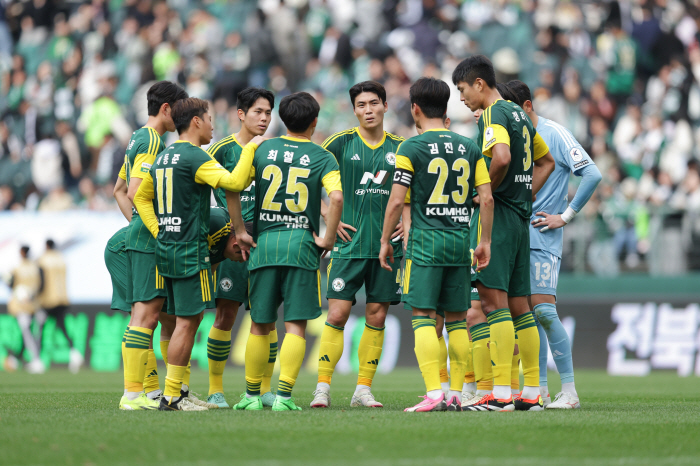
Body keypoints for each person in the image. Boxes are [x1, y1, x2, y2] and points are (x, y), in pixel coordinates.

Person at [133, 97, 258, 411]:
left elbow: (141, 196)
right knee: (188, 324)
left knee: (176, 323)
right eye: (210, 118)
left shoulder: (164, 156)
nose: (214, 125)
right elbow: (235, 182)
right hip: (190, 250)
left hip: (167, 248)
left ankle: (179, 392)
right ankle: (173, 396)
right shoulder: (194, 156)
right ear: (196, 122)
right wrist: (252, 149)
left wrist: (159, 228)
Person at [379, 77, 494, 412]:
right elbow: (485, 199)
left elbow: (396, 202)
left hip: (425, 244)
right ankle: (456, 394)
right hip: (460, 242)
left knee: (423, 318)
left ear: (415, 109)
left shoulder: (409, 148)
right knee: (458, 319)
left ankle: (434, 393)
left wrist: (386, 240)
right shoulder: (469, 147)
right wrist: (483, 240)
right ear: (445, 110)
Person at [226, 91, 343, 412]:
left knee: (260, 324)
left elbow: (233, 186)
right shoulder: (323, 157)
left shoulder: (261, 147)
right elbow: (335, 199)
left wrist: (239, 231)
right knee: (295, 326)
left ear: (282, 118)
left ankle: (250, 396)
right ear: (315, 122)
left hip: (263, 246)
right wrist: (327, 239)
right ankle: (284, 397)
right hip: (301, 247)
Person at [452, 55, 555, 412]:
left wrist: (486, 192)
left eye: (463, 90)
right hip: (520, 219)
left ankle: (499, 394)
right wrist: (524, 195)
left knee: (493, 304)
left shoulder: (495, 113)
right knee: (520, 307)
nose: (462, 98)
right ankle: (530, 393)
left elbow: (501, 157)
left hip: (498, 221)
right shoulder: (520, 115)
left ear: (479, 83)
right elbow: (546, 162)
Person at [504, 80, 602, 409]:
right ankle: (540, 389)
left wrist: (566, 215)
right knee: (528, 315)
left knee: (544, 310)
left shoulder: (554, 133)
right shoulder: (511, 139)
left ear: (527, 106)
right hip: (514, 234)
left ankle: (570, 392)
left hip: (542, 234)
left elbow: (592, 173)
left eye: (512, 110)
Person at [311, 81, 404, 409]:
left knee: (377, 316)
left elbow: (414, 191)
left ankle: (363, 389)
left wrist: (407, 218)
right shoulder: (339, 143)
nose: (368, 110)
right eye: (362, 105)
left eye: (374, 103)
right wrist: (327, 216)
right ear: (354, 110)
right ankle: (322, 387)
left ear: (385, 106)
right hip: (348, 247)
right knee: (337, 314)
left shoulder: (401, 148)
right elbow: (309, 177)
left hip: (387, 247)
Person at [104, 207, 251, 409]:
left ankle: (179, 392)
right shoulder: (217, 222)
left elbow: (207, 273)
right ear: (236, 243)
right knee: (146, 317)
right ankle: (149, 393)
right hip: (130, 251)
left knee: (178, 320)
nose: (243, 261)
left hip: (164, 255)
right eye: (245, 255)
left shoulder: (224, 246)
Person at [117, 81, 189, 411]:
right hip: (150, 239)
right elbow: (134, 191)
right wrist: (157, 230)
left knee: (149, 316)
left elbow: (118, 189)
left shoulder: (136, 137)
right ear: (166, 109)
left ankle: (143, 393)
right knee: (145, 317)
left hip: (140, 234)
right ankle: (132, 394)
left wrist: (135, 223)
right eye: (180, 108)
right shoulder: (152, 140)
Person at [205, 87, 276, 409]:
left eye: (268, 112)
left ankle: (264, 389)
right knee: (225, 315)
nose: (264, 118)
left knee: (266, 318)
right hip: (232, 246)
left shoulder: (274, 151)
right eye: (258, 112)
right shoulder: (220, 150)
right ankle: (215, 389)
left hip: (266, 244)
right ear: (241, 114)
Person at [35, 239, 83, 374]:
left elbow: (41, 281)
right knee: (63, 328)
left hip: (48, 300)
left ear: (46, 246)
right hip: (62, 299)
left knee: (40, 329)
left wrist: (36, 297)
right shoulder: (61, 259)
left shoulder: (43, 260)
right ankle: (75, 353)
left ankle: (38, 360)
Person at [6, 246, 45, 374]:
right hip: (34, 304)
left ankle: (35, 360)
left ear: (21, 253)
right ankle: (18, 358)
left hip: (21, 305)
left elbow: (10, 284)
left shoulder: (17, 268)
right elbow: (41, 285)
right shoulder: (36, 267)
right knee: (31, 332)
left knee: (26, 331)